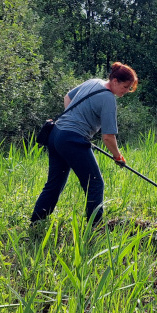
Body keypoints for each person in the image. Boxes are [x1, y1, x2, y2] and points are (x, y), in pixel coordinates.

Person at [29, 62, 138, 227]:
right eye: (125, 87)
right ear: (115, 81)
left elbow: (68, 97)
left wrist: (75, 122)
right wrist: (118, 157)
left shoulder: (93, 82)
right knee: (95, 183)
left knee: (54, 183)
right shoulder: (108, 98)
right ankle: (94, 229)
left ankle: (36, 223)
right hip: (71, 139)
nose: (126, 91)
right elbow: (108, 137)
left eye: (129, 88)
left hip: (56, 134)